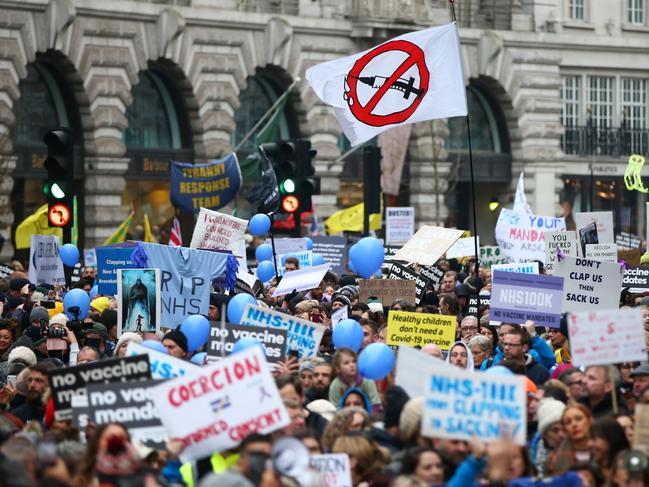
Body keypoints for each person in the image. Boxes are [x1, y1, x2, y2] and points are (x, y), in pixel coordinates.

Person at [328, 347, 381, 412]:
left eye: (354, 361)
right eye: (346, 363)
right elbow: (335, 407)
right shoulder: (336, 384)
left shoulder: (367, 380)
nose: (352, 365)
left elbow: (375, 403)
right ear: (338, 368)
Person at [546, 403, 593, 474]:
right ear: (565, 429)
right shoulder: (554, 459)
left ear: (589, 421)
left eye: (578, 419)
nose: (574, 424)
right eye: (568, 422)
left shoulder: (602, 450)